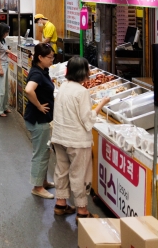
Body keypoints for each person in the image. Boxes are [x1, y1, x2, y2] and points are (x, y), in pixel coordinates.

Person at [51, 56, 110, 219]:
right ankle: (82, 211)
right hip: (76, 140)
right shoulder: (82, 92)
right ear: (83, 72)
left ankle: (60, 204)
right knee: (79, 174)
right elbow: (87, 120)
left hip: (59, 137)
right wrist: (101, 104)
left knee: (61, 170)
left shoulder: (63, 86)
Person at [24, 43, 57, 198]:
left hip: (39, 118)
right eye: (49, 57)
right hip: (38, 119)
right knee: (41, 153)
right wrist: (39, 106)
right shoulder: (37, 74)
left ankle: (42, 181)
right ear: (40, 57)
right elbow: (29, 90)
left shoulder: (42, 71)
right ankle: (37, 187)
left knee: (45, 151)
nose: (52, 60)